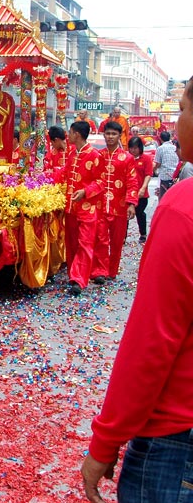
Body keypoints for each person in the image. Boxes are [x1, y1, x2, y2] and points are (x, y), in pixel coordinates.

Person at [81, 75, 193, 503]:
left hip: (176, 436)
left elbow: (152, 343)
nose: (175, 124)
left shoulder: (183, 208)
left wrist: (107, 439)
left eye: (182, 110)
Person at [90, 122, 137, 284]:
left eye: (113, 134)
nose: (110, 137)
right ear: (104, 135)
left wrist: (131, 203)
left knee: (117, 242)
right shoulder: (98, 156)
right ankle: (100, 271)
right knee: (101, 240)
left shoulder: (127, 158)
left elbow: (132, 181)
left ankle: (112, 270)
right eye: (108, 134)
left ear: (119, 136)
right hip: (100, 206)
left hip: (120, 207)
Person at [63, 121, 104, 296]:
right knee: (71, 244)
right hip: (71, 208)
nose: (68, 136)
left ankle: (79, 279)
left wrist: (85, 192)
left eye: (70, 133)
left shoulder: (95, 155)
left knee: (85, 244)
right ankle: (73, 276)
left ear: (77, 135)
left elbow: (101, 182)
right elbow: (64, 174)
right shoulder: (72, 154)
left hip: (87, 208)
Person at [127, 137, 153, 244]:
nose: (133, 150)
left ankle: (143, 234)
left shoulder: (146, 159)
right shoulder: (126, 158)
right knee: (125, 215)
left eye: (135, 148)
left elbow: (148, 174)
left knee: (140, 213)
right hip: (128, 193)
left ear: (140, 148)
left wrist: (143, 187)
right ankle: (123, 236)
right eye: (131, 148)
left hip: (141, 193)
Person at [153, 131, 179, 199]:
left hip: (164, 176)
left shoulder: (160, 149)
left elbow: (157, 163)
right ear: (169, 138)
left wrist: (153, 170)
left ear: (160, 139)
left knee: (163, 197)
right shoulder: (175, 148)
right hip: (175, 176)